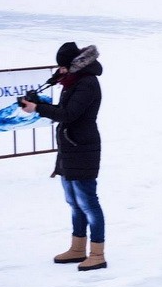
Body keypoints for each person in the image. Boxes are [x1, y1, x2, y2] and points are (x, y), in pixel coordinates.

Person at [20, 42, 107, 271]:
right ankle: (78, 248)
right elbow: (64, 109)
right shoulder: (73, 82)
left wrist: (37, 109)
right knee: (73, 201)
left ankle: (97, 253)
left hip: (83, 147)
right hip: (69, 147)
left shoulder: (87, 83)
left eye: (62, 66)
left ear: (73, 65)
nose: (59, 71)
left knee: (88, 202)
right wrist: (39, 103)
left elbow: (69, 114)